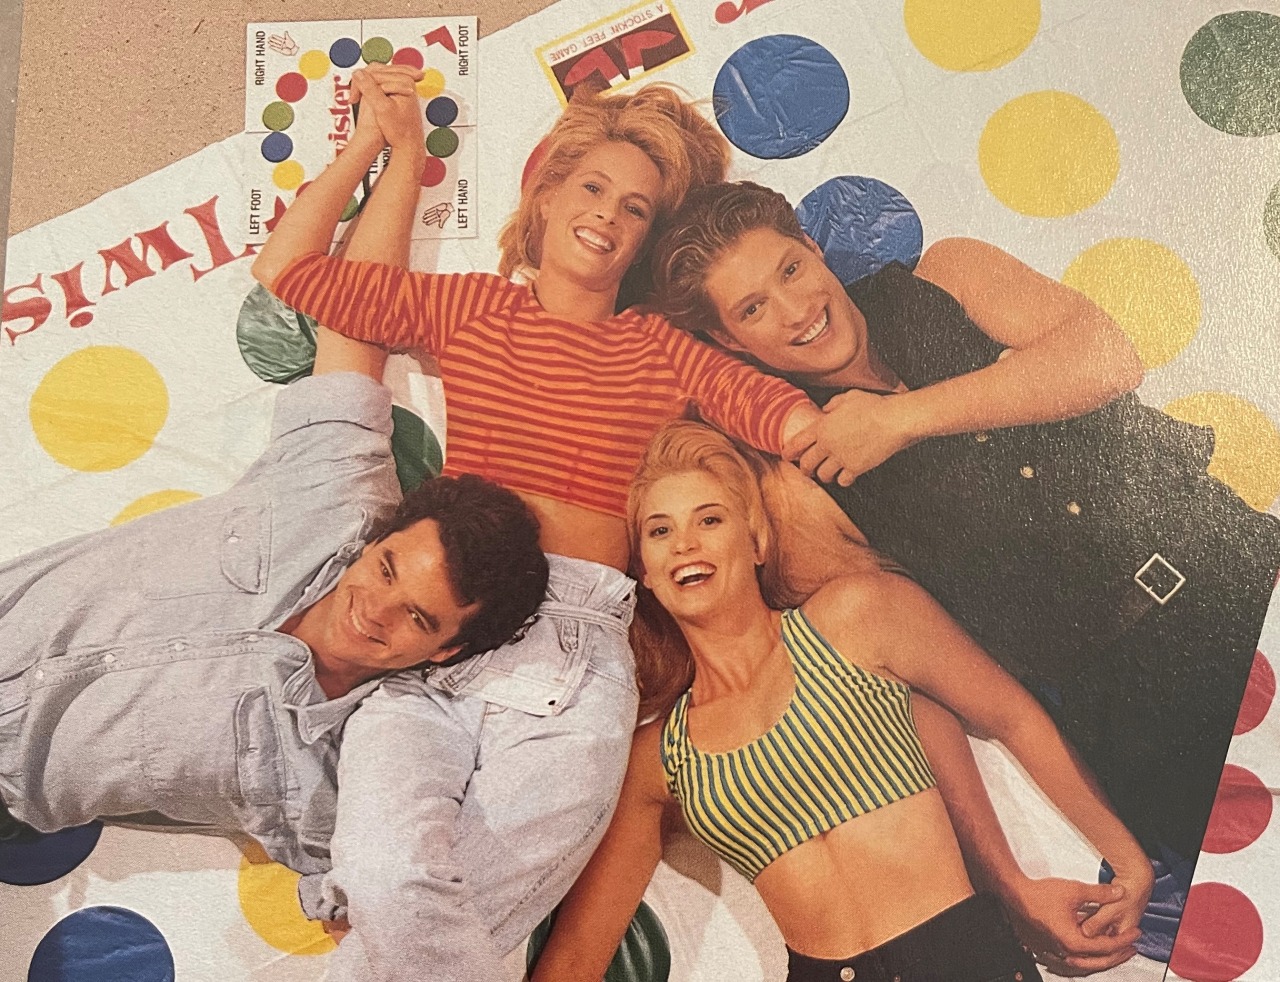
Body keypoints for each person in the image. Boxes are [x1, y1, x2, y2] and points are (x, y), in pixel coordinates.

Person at [251, 68, 875, 978]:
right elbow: (289, 271)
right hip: (439, 638)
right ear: (544, 195)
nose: (608, 217)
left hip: (572, 657)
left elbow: (775, 409)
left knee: (451, 913)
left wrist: (876, 422)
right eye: (593, 188)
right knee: (393, 880)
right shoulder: (471, 306)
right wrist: (383, 150)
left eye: (636, 208)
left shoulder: (660, 349)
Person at [647, 180, 1280, 965]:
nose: (793, 308)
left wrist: (899, 420)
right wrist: (1006, 882)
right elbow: (912, 690)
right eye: (751, 310)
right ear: (732, 345)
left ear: (814, 250)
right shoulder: (801, 490)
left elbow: (1107, 357)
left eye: (788, 269)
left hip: (1237, 569)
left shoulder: (951, 272)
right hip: (1132, 710)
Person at [528, 420, 1153, 982]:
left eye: (709, 519)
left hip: (965, 958)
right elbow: (579, 955)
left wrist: (1126, 861)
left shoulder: (856, 616)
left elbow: (1012, 717)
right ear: (643, 568)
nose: (684, 543)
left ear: (757, 542)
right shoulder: (660, 756)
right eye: (659, 531)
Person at [0, 324, 551, 959]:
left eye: (419, 619)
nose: (373, 610)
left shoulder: (345, 783)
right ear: (379, 541)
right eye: (387, 568)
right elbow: (352, 321)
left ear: (446, 651)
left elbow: (387, 906)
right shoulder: (334, 499)